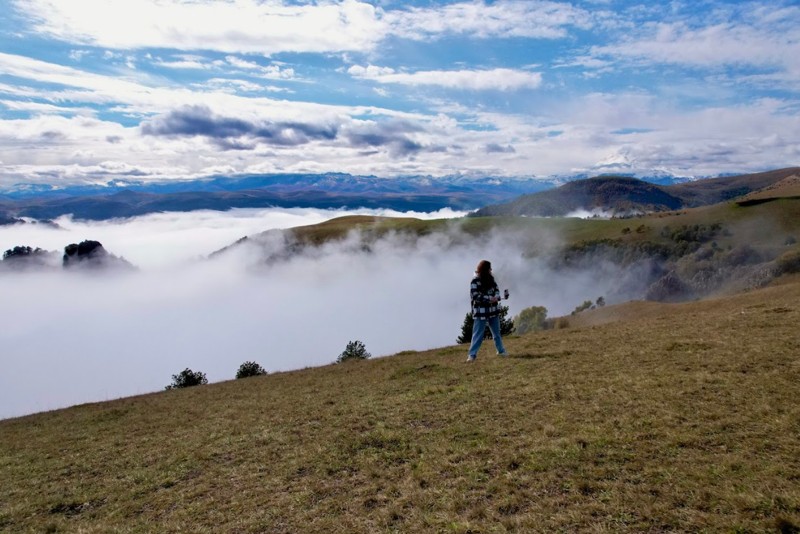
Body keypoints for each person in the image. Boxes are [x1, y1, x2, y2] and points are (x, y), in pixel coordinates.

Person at [467, 259, 508, 362]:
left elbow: (496, 290)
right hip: (480, 312)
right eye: (489, 268)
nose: (491, 270)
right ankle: (472, 355)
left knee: (496, 333)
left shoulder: (491, 279)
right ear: (485, 269)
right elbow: (475, 296)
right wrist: (489, 298)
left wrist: (497, 296)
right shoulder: (474, 281)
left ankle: (501, 351)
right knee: (478, 335)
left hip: (493, 311)